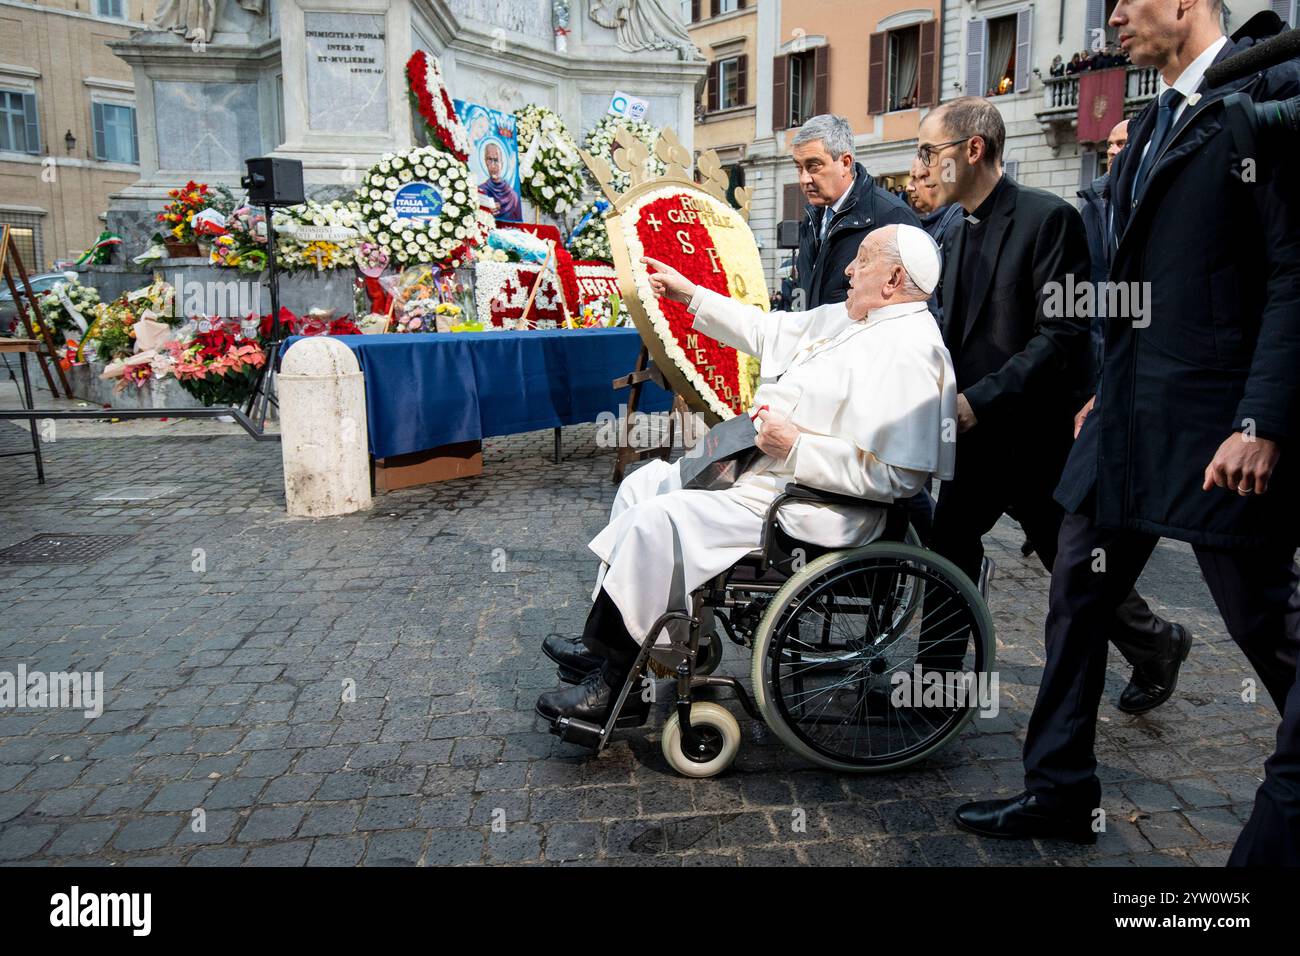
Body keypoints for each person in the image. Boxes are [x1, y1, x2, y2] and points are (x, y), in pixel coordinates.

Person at [954, 0, 1300, 865]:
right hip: (1124, 424)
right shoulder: (1152, 124)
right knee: (1076, 595)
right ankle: (1060, 790)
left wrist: (1261, 419)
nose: (1110, 17)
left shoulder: (1266, 95)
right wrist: (1103, 388)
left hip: (1216, 430)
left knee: (1266, 625)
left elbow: (1295, 273)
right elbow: (1124, 283)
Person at [534, 226, 957, 727]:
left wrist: (798, 448)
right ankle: (619, 649)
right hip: (774, 477)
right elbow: (768, 331)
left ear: (892, 278)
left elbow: (898, 479)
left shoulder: (912, 350)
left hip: (820, 505)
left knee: (657, 521)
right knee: (642, 484)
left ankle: (619, 686)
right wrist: (690, 294)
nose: (848, 269)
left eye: (860, 261)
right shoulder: (855, 318)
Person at [912, 96, 1189, 711]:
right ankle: (938, 692)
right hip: (978, 438)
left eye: (930, 152)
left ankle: (1156, 645)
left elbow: (1060, 338)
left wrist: (978, 401)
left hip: (1038, 440)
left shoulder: (1048, 219)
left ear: (974, 150)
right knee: (950, 550)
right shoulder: (954, 230)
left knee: (1081, 569)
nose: (922, 165)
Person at [791, 114, 919, 311]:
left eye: (813, 166)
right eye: (799, 168)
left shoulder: (893, 216)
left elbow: (914, 306)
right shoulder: (811, 219)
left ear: (845, 162)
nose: (804, 179)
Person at [1075, 119, 1128, 428]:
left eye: (1121, 143)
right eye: (1109, 143)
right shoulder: (1092, 207)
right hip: (1095, 344)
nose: (1111, 150)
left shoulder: (1149, 198)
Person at [476, 141, 522, 222]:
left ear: (502, 163)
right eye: (489, 159)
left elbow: (517, 223)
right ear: (485, 161)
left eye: (496, 160)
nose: (493, 165)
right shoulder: (480, 190)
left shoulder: (513, 196)